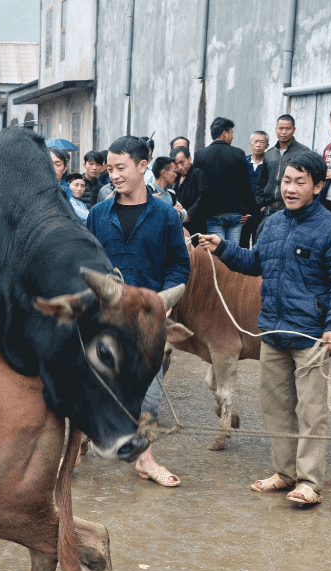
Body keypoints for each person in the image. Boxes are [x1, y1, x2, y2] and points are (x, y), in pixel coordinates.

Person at [198, 151, 331, 505]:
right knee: (275, 407)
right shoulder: (272, 224)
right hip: (272, 331)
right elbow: (255, 263)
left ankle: (309, 482)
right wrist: (223, 248)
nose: (290, 188)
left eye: (300, 182)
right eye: (286, 181)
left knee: (312, 412)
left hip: (310, 336)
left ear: (317, 186)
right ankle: (285, 473)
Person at [86, 136, 189, 488]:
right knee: (93, 384)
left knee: (148, 394)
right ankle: (75, 450)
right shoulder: (98, 215)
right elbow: (88, 261)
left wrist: (164, 300)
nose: (113, 175)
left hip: (148, 320)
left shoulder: (165, 215)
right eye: (109, 169)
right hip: (105, 318)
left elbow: (179, 266)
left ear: (143, 166)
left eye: (121, 168)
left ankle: (145, 458)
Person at [192, 116, 258, 245]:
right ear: (224, 133)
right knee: (233, 251)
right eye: (231, 132)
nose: (232, 136)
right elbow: (245, 184)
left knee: (217, 251)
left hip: (212, 212)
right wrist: (249, 211)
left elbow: (196, 186)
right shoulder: (238, 153)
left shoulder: (200, 155)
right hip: (235, 214)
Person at [262, 114, 312, 214]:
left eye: (288, 128)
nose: (284, 132)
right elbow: (262, 181)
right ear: (276, 129)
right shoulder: (269, 154)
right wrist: (261, 206)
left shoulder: (304, 152)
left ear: (294, 130)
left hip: (293, 209)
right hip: (269, 209)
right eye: (281, 128)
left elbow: (309, 181)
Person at [172, 145, 209, 233]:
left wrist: (189, 214)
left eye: (182, 162)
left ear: (189, 159)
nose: (180, 167)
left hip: (196, 223)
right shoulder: (176, 178)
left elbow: (203, 197)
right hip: (181, 221)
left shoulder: (197, 174)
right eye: (176, 164)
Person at [242, 130, 270, 246]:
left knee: (259, 244)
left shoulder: (270, 165)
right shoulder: (243, 163)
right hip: (244, 214)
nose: (258, 145)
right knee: (242, 245)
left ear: (267, 145)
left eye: (262, 142)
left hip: (262, 213)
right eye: (255, 141)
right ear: (250, 144)